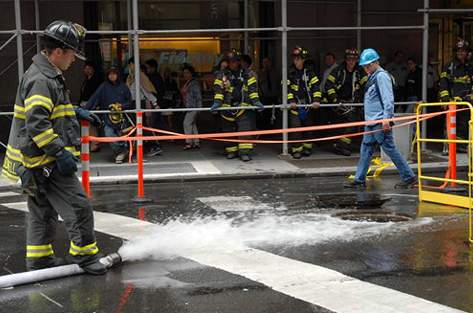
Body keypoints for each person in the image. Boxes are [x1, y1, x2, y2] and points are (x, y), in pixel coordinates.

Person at [1, 20, 107, 274]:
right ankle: (86, 256)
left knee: (42, 211)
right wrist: (59, 153)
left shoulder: (46, 73)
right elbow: (38, 125)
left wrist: (76, 111)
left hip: (31, 162)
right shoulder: (42, 79)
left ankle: (39, 260)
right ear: (58, 51)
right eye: (72, 54)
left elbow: (50, 111)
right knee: (79, 206)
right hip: (44, 161)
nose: (74, 60)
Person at [344, 48, 416, 189]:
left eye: (366, 66)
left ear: (373, 63)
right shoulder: (374, 76)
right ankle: (359, 179)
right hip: (372, 122)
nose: (365, 69)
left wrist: (386, 119)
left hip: (379, 122)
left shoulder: (381, 76)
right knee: (366, 149)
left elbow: (388, 99)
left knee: (390, 149)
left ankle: (409, 177)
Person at [211, 49, 264, 162]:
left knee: (245, 130)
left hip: (243, 108)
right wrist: (217, 103)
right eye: (230, 61)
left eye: (235, 61)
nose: (232, 63)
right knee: (228, 131)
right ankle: (232, 151)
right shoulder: (222, 74)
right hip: (227, 108)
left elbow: (252, 89)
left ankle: (244, 153)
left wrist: (255, 101)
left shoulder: (247, 74)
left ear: (239, 61)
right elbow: (218, 89)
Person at [325, 48, 368, 156]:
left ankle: (343, 144)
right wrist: (335, 99)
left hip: (355, 103)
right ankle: (341, 145)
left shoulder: (360, 70)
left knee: (356, 123)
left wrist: (366, 99)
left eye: (354, 59)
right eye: (349, 59)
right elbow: (328, 85)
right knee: (352, 121)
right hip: (340, 103)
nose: (351, 62)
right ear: (345, 59)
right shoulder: (338, 70)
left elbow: (366, 85)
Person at [86, 67, 133, 164]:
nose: (112, 76)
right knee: (109, 135)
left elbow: (130, 102)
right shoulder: (103, 86)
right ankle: (122, 151)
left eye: (114, 73)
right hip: (108, 118)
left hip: (122, 118)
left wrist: (121, 106)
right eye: (110, 74)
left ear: (118, 75)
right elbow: (94, 98)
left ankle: (120, 153)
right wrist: (85, 109)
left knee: (120, 136)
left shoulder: (124, 87)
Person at [287, 46, 322, 159]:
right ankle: (296, 150)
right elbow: (285, 88)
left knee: (309, 128)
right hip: (295, 106)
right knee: (296, 129)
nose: (295, 61)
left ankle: (307, 148)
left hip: (308, 105)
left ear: (303, 59)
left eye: (298, 58)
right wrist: (291, 101)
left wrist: (316, 100)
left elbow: (316, 87)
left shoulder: (310, 73)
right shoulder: (289, 73)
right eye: (295, 58)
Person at [439, 39, 473, 152]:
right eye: (459, 51)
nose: (461, 53)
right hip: (452, 101)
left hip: (466, 101)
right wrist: (445, 98)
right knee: (449, 123)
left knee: (465, 123)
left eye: (463, 51)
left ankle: (461, 145)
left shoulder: (470, 67)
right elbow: (443, 82)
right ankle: (447, 146)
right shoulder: (450, 66)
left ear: (467, 52)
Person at [127, 58, 163, 157]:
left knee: (141, 125)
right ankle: (138, 147)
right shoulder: (131, 76)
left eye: (132, 64)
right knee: (137, 126)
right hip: (132, 104)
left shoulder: (139, 76)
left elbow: (146, 91)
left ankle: (154, 146)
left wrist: (154, 103)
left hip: (139, 103)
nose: (131, 66)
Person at [79, 61, 102, 152]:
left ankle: (95, 143)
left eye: (89, 69)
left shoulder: (95, 80)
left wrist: (95, 104)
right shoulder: (86, 80)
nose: (87, 70)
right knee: (87, 124)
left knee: (91, 124)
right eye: (86, 68)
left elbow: (96, 95)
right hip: (84, 103)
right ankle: (91, 142)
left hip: (91, 104)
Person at [181, 65, 202, 149]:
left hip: (193, 107)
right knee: (192, 124)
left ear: (191, 74)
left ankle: (188, 142)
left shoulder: (194, 83)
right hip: (189, 106)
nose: (185, 75)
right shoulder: (188, 82)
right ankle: (196, 142)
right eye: (184, 73)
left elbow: (198, 96)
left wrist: (199, 108)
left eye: (187, 73)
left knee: (186, 123)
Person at [258, 57, 280, 129]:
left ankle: (275, 128)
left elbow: (279, 84)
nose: (266, 64)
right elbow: (258, 85)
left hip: (274, 96)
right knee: (265, 114)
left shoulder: (275, 72)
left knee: (275, 113)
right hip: (264, 97)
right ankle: (266, 129)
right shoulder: (260, 73)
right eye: (264, 62)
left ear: (270, 63)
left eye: (267, 62)